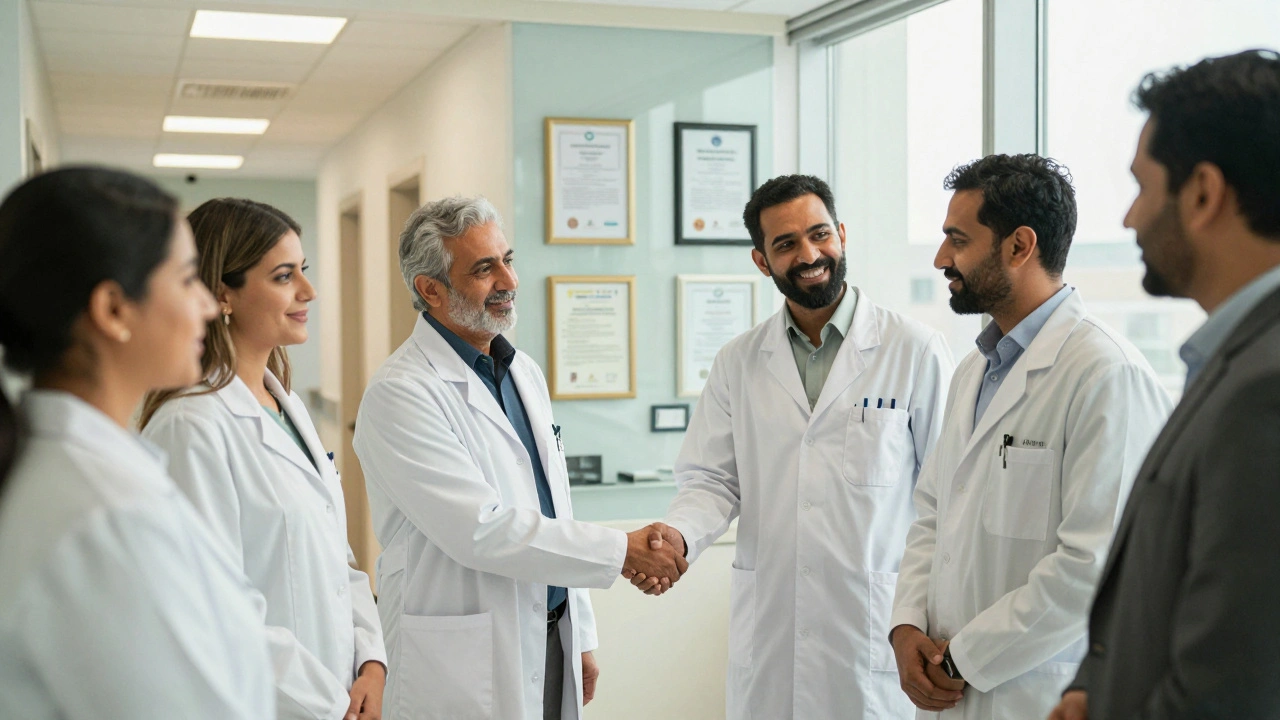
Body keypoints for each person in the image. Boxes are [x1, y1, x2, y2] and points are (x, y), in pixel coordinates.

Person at [628, 174, 955, 719]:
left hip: (876, 630)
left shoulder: (914, 350)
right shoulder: (739, 361)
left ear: (842, 235)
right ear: (762, 261)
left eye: (819, 234)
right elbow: (711, 479)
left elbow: (948, 494)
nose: (809, 254)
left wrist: (938, 618)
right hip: (774, 634)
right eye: (786, 244)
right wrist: (677, 537)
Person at [353, 195, 685, 720]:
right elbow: (479, 529)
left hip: (550, 632)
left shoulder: (521, 370)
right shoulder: (401, 393)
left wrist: (582, 634)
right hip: (464, 661)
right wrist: (623, 550)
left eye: (508, 260)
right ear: (430, 289)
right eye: (484, 269)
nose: (507, 280)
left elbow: (555, 504)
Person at [889, 154, 1172, 720]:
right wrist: (906, 628)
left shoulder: (1105, 373)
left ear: (1020, 246)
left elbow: (1094, 567)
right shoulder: (975, 371)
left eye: (957, 240)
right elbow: (931, 516)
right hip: (946, 688)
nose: (942, 258)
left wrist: (961, 660)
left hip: (1037, 691)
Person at [1050, 49, 1280, 720]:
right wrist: (1096, 688)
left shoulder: (1266, 390)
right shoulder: (1233, 358)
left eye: (1142, 186)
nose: (1129, 218)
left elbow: (1230, 688)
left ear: (1203, 193)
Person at [0, 167, 275, 718]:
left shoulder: (86, 473)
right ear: (113, 310)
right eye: (187, 279)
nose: (206, 305)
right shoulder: (107, 518)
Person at [140, 198, 387, 720]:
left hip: (340, 690)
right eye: (283, 276)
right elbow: (212, 607)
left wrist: (371, 661)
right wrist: (327, 703)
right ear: (222, 293)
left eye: (304, 270)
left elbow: (336, 555)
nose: (308, 291)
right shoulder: (191, 426)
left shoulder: (284, 405)